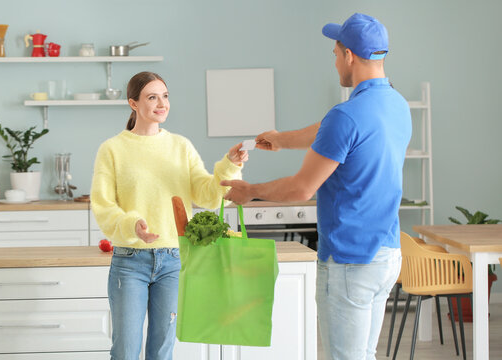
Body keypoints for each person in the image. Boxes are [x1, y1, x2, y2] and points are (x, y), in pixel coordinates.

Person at [221, 13, 411, 360]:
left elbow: (301, 189)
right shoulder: (395, 104)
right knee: (363, 355)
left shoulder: (347, 116)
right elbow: (330, 128)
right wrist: (280, 140)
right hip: (386, 254)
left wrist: (250, 192)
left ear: (349, 55)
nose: (335, 60)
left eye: (336, 53)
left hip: (350, 261)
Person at [91, 71, 247, 360]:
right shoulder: (112, 149)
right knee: (125, 350)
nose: (162, 103)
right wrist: (131, 225)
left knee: (162, 350)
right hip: (129, 261)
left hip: (174, 260)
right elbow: (102, 205)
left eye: (165, 96)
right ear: (133, 103)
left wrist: (229, 165)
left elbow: (206, 194)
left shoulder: (180, 146)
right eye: (152, 97)